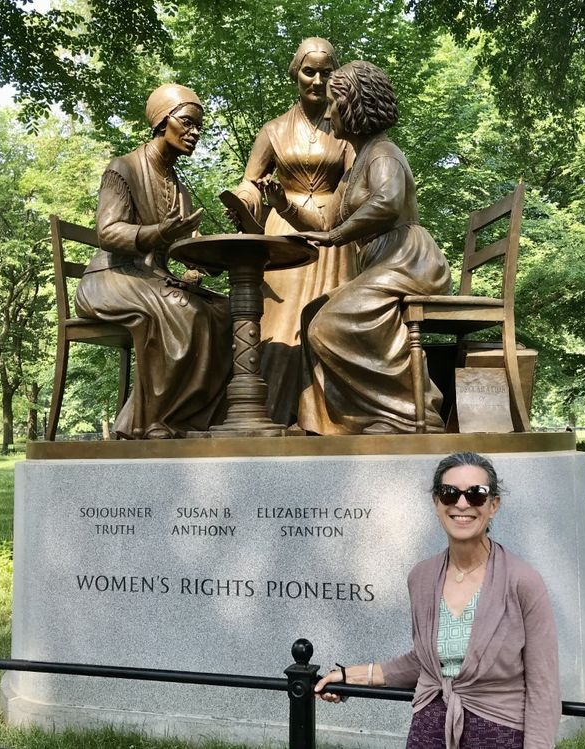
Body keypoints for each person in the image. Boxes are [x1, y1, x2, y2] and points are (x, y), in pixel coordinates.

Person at [314, 452, 561, 749]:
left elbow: (543, 688)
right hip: (429, 730)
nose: (461, 503)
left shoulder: (523, 581)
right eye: (449, 493)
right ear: (436, 503)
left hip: (499, 733)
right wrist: (347, 676)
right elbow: (426, 664)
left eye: (476, 495)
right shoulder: (422, 577)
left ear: (493, 505)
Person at [293, 60, 450, 434]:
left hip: (408, 261)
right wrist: (281, 205)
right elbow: (325, 222)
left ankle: (410, 413)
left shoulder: (383, 152)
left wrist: (337, 237)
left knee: (330, 326)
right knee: (311, 314)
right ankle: (329, 422)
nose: (328, 113)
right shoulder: (356, 163)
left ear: (353, 105)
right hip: (384, 263)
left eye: (334, 103)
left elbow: (387, 202)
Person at [75, 83, 231, 439]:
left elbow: (187, 245)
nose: (195, 133)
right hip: (109, 277)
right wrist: (159, 233)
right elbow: (108, 232)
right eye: (187, 123)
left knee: (224, 313)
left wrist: (204, 262)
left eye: (199, 127)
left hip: (151, 278)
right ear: (163, 120)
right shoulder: (123, 168)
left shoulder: (179, 187)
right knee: (183, 310)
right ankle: (151, 421)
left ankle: (192, 417)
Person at [229, 37, 355, 427]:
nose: (317, 80)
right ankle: (272, 414)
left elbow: (354, 179)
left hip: (330, 233)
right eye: (309, 71)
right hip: (283, 231)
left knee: (328, 322)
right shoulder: (274, 130)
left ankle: (328, 417)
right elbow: (251, 181)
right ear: (295, 74)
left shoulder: (346, 127)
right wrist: (243, 199)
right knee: (275, 324)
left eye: (326, 72)